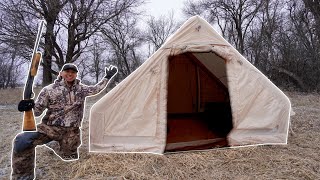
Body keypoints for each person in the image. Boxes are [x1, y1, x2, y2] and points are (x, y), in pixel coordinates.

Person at [11, 63, 118, 180]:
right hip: (50, 129)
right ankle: (23, 176)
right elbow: (36, 112)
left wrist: (107, 77)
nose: (70, 74)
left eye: (73, 72)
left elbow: (96, 89)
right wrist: (27, 106)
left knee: (69, 158)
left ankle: (54, 144)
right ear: (61, 73)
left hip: (72, 132)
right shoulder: (49, 90)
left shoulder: (81, 89)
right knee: (22, 140)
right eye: (67, 71)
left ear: (76, 75)